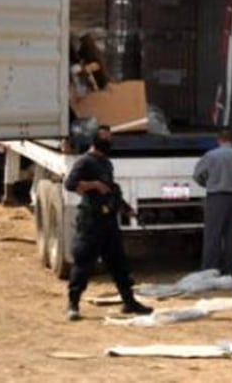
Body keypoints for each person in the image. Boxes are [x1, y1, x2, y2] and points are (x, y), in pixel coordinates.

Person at [64, 126, 153, 320]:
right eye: (105, 138)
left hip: (109, 221)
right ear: (95, 140)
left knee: (119, 264)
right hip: (91, 221)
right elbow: (70, 184)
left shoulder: (106, 163)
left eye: (110, 138)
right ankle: (73, 305)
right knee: (83, 263)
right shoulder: (84, 161)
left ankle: (129, 302)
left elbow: (111, 190)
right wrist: (93, 185)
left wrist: (126, 209)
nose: (109, 141)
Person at [193, 128, 232, 277]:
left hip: (216, 197)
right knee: (231, 236)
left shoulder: (211, 155)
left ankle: (210, 270)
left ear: (219, 139)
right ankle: (229, 272)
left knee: (213, 235)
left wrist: (208, 184)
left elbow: (197, 175)